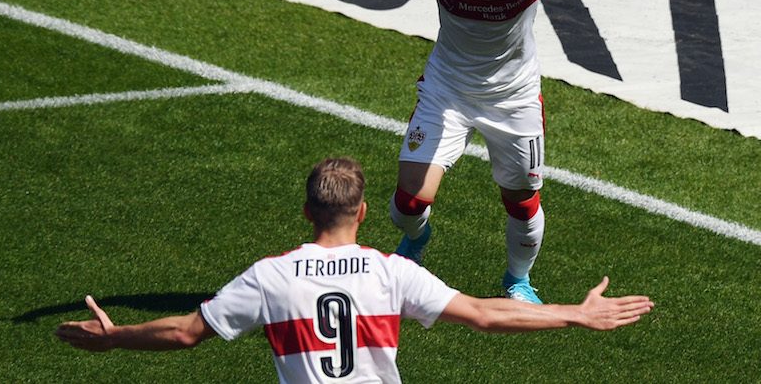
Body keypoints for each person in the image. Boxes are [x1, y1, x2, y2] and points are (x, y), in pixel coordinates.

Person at [56, 157, 653, 384]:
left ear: (306, 212)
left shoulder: (270, 276)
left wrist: (115, 338)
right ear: (363, 212)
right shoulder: (390, 273)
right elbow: (485, 315)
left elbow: (186, 332)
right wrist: (575, 314)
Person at [319, 0, 612, 304]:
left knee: (521, 201)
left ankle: (518, 281)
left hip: (513, 98)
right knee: (407, 207)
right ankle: (418, 238)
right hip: (448, 91)